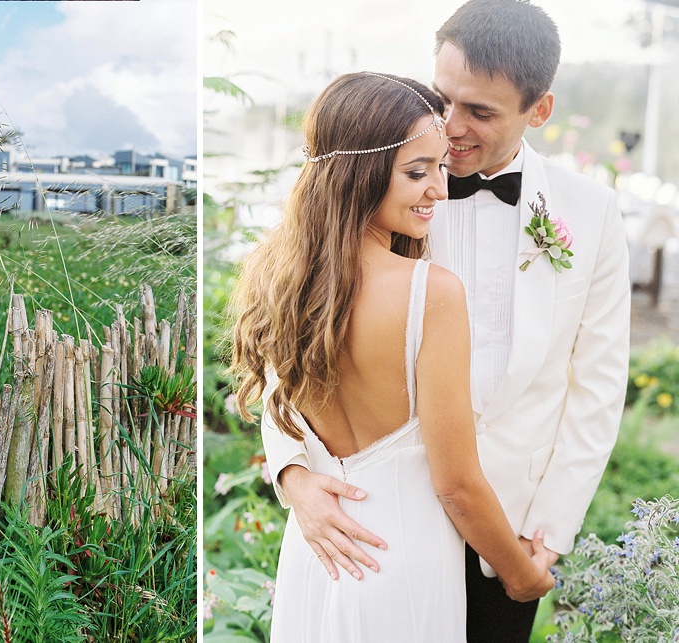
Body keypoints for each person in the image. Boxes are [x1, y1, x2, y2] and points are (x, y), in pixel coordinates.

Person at [259, 1, 631, 641]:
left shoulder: (591, 213)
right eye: (443, 97)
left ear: (537, 111)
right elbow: (296, 328)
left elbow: (598, 388)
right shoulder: (388, 185)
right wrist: (292, 473)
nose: (450, 126)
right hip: (371, 518)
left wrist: (544, 538)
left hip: (508, 532)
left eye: (479, 112)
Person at [231, 71, 556, 643]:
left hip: (318, 557)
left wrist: (295, 477)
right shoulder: (431, 292)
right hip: (399, 563)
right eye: (417, 172)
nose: (440, 188)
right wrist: (521, 574)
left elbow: (277, 407)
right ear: (358, 174)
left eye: (439, 167)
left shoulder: (278, 283)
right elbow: (456, 484)